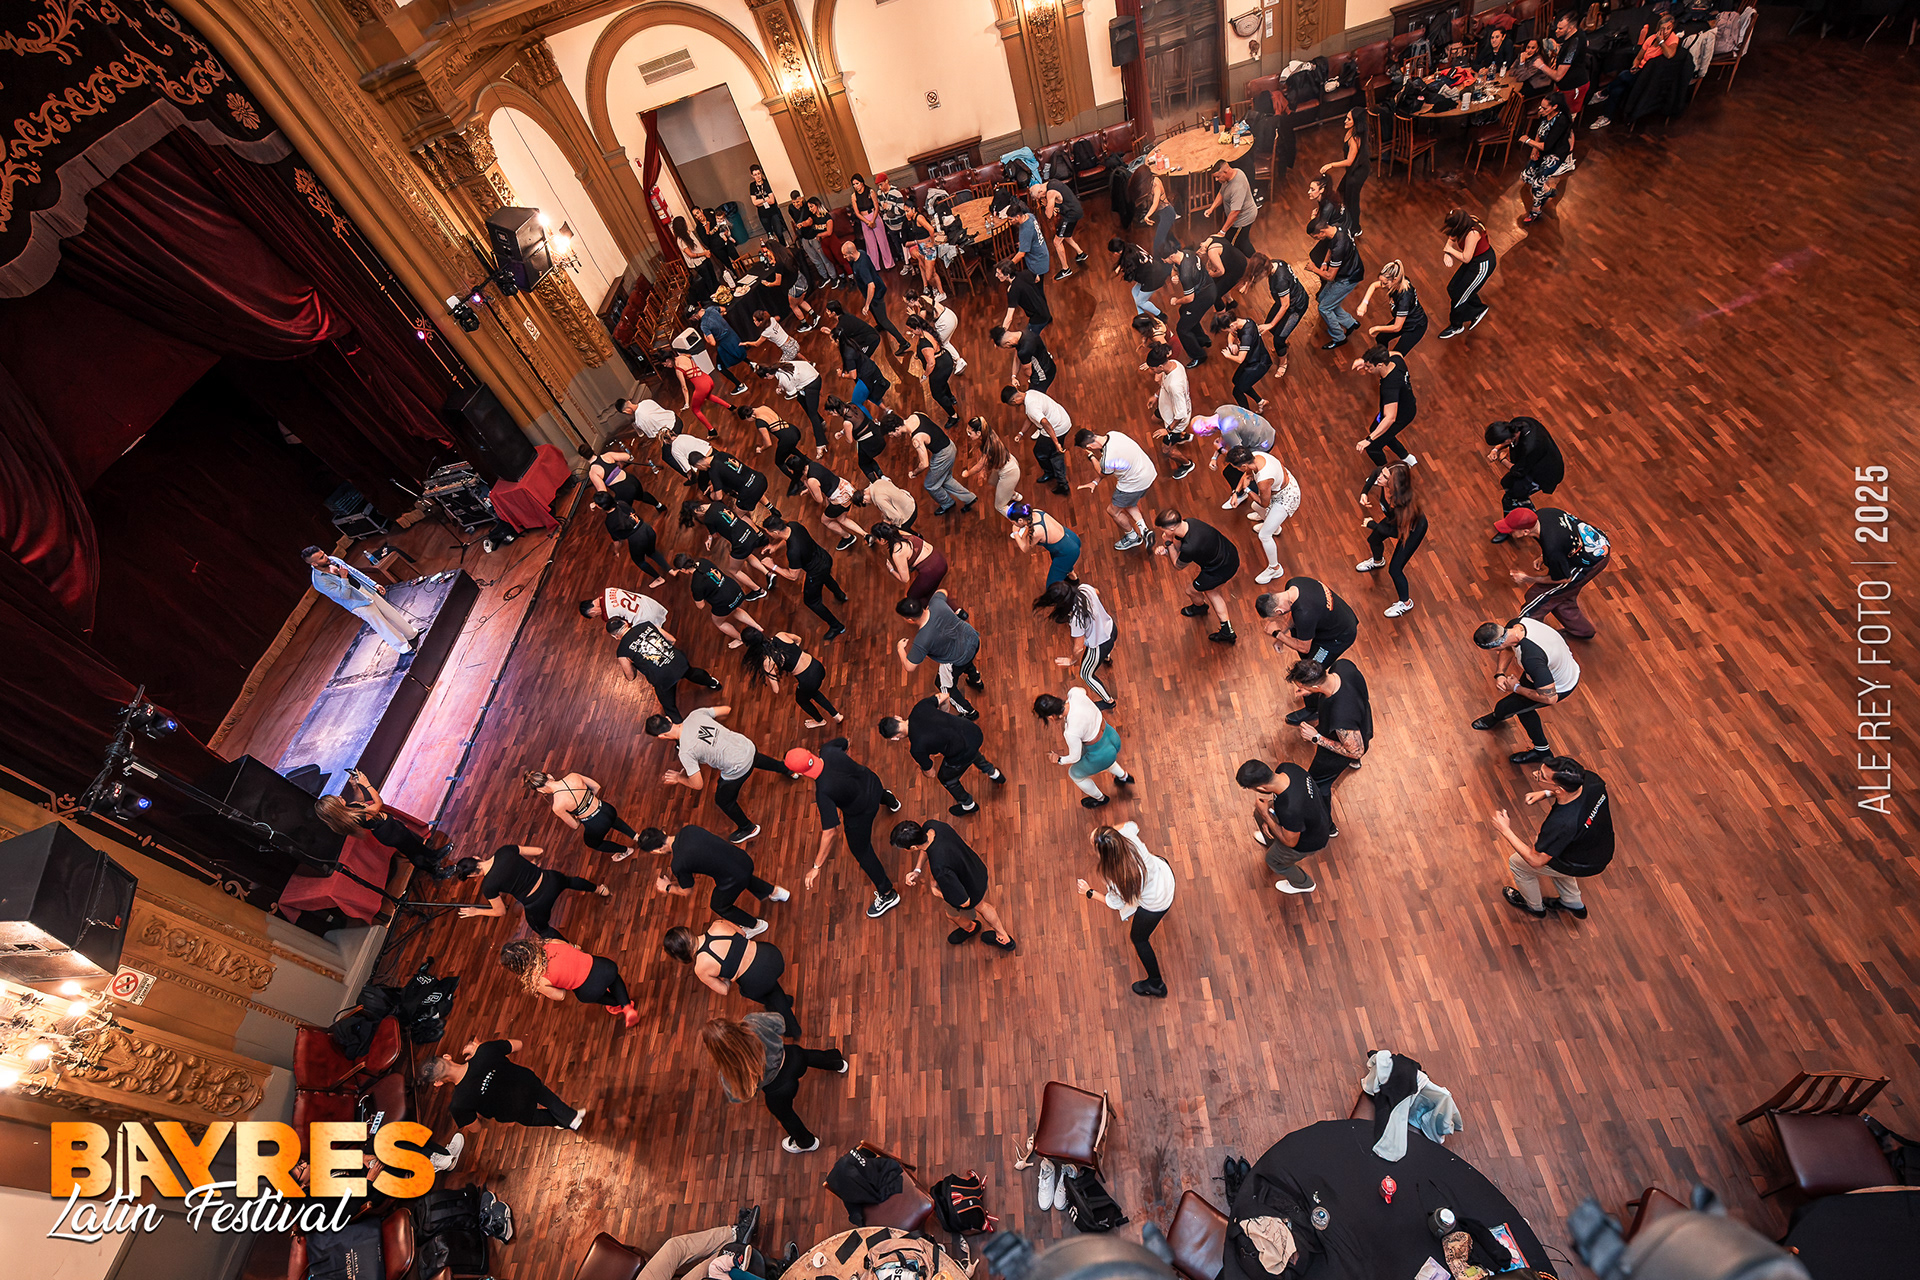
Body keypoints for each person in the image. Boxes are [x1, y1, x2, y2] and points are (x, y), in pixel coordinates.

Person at [786, 739, 903, 917]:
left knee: (861, 851)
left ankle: (888, 894)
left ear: (800, 773)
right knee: (877, 791)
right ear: (809, 753)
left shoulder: (823, 792)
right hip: (873, 783)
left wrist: (816, 866)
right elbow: (845, 742)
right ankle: (892, 801)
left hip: (861, 812)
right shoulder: (828, 750)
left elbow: (830, 832)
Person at [1491, 755, 1613, 919]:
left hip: (1580, 861)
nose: (1535, 774)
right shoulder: (1591, 780)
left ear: (1560, 789)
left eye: (1541, 776)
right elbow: (1572, 795)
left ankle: (1535, 907)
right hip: (1598, 847)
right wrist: (1547, 793)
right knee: (1557, 865)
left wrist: (1505, 830)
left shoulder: (1562, 823)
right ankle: (1572, 902)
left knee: (1518, 863)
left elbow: (1536, 861)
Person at [704, 1015, 847, 1154]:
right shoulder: (752, 1022)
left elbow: (738, 1097)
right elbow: (779, 1021)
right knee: (811, 1056)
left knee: (786, 1116)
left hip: (779, 1090)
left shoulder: (727, 1072)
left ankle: (807, 1142)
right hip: (793, 1058)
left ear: (714, 1049)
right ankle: (838, 1063)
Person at [649, 705, 792, 844]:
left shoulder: (685, 752)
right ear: (668, 719)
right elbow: (726, 709)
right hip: (746, 746)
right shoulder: (695, 714)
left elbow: (698, 784)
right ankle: (787, 768)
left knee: (723, 800)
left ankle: (748, 828)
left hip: (738, 767)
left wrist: (679, 778)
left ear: (661, 736)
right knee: (755, 758)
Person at [1077, 822, 1175, 996]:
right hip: (1166, 875)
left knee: (1139, 939)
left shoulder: (1114, 876)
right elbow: (1132, 824)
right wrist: (1110, 834)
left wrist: (1089, 892)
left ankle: (1156, 984)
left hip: (1158, 903)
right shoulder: (1129, 836)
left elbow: (1116, 903)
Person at [639, 823, 788, 933]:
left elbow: (686, 891)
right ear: (663, 832)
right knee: (741, 875)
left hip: (734, 878)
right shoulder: (689, 829)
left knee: (719, 905)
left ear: (657, 850)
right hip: (743, 860)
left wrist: (667, 888)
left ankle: (755, 926)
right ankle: (775, 892)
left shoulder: (678, 863)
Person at [1471, 617, 1581, 763]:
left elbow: (1550, 698)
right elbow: (1509, 648)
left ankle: (1543, 752)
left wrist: (1516, 688)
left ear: (1496, 647)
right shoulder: (1516, 625)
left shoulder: (1531, 659)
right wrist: (1500, 674)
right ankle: (1500, 715)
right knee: (1514, 707)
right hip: (1546, 673)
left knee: (1508, 706)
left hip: (1559, 686)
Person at [664, 920, 802, 1036]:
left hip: (757, 980)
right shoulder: (718, 924)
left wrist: (726, 975)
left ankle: (792, 1029)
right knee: (770, 990)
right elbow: (742, 933)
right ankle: (783, 1001)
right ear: (687, 932)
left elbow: (724, 990)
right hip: (770, 954)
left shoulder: (701, 968)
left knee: (754, 991)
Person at [893, 820, 1016, 949]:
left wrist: (937, 892)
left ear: (913, 847)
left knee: (952, 914)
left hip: (969, 890)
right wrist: (917, 870)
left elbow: (964, 902)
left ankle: (971, 928)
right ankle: (1002, 936)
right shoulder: (933, 826)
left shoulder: (939, 867)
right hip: (976, 870)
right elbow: (926, 849)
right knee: (983, 906)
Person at [421, 1037, 585, 1132]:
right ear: (447, 1057)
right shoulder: (485, 1051)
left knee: (536, 1117)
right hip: (526, 1082)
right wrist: (481, 1047)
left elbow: (476, 1128)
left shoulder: (458, 1104)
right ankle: (570, 1116)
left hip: (514, 1109)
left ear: (438, 1083)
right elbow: (518, 1044)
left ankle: (565, 1121)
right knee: (546, 1096)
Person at [313, 767, 450, 881]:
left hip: (391, 828)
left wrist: (355, 786)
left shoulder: (350, 810)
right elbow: (378, 803)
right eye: (336, 799)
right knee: (413, 853)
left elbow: (360, 801)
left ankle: (433, 855)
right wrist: (367, 784)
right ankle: (435, 872)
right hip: (391, 833)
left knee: (414, 843)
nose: (339, 796)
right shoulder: (357, 816)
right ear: (336, 807)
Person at [1255, 577, 1359, 724]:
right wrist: (1282, 634)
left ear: (1278, 611)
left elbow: (1304, 647)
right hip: (1334, 619)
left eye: (1278, 615)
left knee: (1309, 672)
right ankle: (1310, 695)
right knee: (1299, 638)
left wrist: (1277, 634)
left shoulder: (1305, 613)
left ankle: (1313, 710)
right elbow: (1295, 613)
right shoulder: (1294, 584)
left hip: (1337, 636)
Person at [1496, 506, 1611, 637]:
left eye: (1511, 531)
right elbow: (1564, 535)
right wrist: (1543, 556)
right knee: (1561, 596)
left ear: (1526, 531)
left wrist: (1527, 578)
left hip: (1591, 560)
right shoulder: (1544, 514)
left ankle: (1526, 636)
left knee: (1536, 600)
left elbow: (1563, 579)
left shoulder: (1552, 549)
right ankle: (1583, 631)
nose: (1509, 533)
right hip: (1591, 544)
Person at [880, 696, 1005, 816]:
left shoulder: (916, 748)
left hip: (962, 751)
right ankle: (994, 773)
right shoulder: (920, 707)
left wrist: (923, 768)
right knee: (971, 750)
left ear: (895, 738)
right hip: (973, 732)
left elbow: (931, 773)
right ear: (897, 717)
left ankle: (968, 805)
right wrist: (945, 714)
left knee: (946, 779)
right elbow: (944, 696)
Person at [455, 843, 608, 940]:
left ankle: (572, 948)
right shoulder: (504, 851)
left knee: (542, 929)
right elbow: (538, 851)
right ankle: (600, 889)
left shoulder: (488, 886)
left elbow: (500, 911)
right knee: (570, 881)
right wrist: (532, 864)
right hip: (550, 880)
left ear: (472, 875)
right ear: (476, 858)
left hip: (537, 903)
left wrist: (476, 911)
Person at [499, 935, 640, 1028]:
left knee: (600, 996)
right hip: (601, 966)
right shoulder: (551, 942)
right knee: (613, 979)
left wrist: (562, 980)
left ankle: (617, 1005)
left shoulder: (538, 980)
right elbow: (576, 948)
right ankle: (627, 1007)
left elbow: (560, 996)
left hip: (587, 989)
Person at [1235, 758, 1329, 896]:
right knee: (1259, 813)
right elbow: (1282, 800)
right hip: (1312, 818)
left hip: (1310, 840)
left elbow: (1290, 842)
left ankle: (1303, 884)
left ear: (1261, 788)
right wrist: (1268, 813)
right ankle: (1272, 842)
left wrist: (1266, 816)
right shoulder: (1287, 769)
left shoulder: (1291, 810)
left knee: (1273, 860)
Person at [1287, 657, 1373, 805]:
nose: (1299, 689)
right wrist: (1309, 690)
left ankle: (1323, 817)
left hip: (1344, 746)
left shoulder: (1340, 717)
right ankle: (1354, 763)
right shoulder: (1342, 665)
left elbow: (1356, 751)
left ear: (1315, 687)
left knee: (1318, 781)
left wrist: (1316, 737)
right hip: (1362, 721)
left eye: (1302, 686)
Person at [303, 547, 419, 654]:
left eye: (324, 554)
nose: (326, 557)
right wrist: (343, 577)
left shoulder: (334, 560)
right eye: (321, 558)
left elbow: (355, 572)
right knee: (382, 625)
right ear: (314, 564)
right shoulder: (319, 582)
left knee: (391, 613)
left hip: (366, 589)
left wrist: (373, 584)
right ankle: (403, 648)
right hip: (358, 603)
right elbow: (344, 595)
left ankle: (411, 634)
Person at [610, 616, 725, 721]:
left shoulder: (622, 652)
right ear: (625, 622)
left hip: (662, 677)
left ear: (615, 636)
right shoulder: (647, 625)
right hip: (677, 660)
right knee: (690, 672)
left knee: (669, 707)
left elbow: (630, 677)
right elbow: (672, 640)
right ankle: (713, 683)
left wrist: (633, 664)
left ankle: (680, 732)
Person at [1035, 687, 1133, 808]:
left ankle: (1101, 799)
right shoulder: (1075, 693)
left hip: (1102, 754)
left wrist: (1059, 759)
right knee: (1104, 759)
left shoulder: (1070, 732)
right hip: (1112, 737)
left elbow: (1075, 757)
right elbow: (1082, 691)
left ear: (1051, 717)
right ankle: (1124, 776)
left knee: (1074, 774)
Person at [1152, 509, 1239, 644]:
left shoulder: (1191, 546)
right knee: (1210, 590)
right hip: (1229, 554)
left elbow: (1178, 565)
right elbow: (1179, 548)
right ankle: (1224, 627)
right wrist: (1168, 550)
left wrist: (1168, 543)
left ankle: (1203, 609)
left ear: (1172, 528)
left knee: (1194, 591)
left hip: (1219, 569)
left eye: (1163, 530)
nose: (1162, 533)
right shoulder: (1190, 522)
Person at [1354, 461, 1428, 618]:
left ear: (1394, 484)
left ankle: (1406, 603)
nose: (1379, 477)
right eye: (1383, 473)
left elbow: (1397, 533)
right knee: (1374, 540)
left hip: (1410, 530)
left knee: (1395, 569)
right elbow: (1375, 473)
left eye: (1384, 476)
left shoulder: (1403, 504)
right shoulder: (1383, 477)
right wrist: (1364, 492)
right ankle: (1377, 561)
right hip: (1394, 520)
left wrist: (1373, 524)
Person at [896, 588, 983, 718]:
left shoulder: (921, 640)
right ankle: (976, 680)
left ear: (909, 619)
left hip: (957, 658)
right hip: (972, 639)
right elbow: (943, 591)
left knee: (944, 686)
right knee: (966, 660)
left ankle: (969, 712)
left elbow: (909, 666)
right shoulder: (937, 602)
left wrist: (900, 649)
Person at [1033, 577, 1118, 709]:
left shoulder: (1076, 618)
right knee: (1105, 650)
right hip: (1111, 628)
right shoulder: (1084, 588)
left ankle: (1109, 701)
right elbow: (1097, 592)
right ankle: (1106, 659)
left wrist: (1071, 660)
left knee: (1086, 674)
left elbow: (1078, 648)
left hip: (1100, 645)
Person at [762, 514, 848, 639]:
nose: (768, 535)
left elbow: (793, 576)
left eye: (768, 532)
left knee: (812, 601)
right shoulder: (793, 525)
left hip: (816, 571)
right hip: (824, 558)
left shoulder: (793, 552)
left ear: (775, 532)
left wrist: (773, 566)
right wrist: (775, 546)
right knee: (826, 577)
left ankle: (837, 626)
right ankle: (841, 595)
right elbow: (787, 539)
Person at [1588, 13, 1678, 131]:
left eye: (1668, 28)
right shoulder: (1651, 38)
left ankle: (1603, 93)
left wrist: (1661, 42)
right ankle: (1606, 117)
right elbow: (1638, 57)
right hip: (1639, 71)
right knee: (1617, 89)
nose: (1665, 31)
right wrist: (1635, 66)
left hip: (1649, 75)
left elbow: (1670, 54)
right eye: (1663, 28)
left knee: (1623, 75)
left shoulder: (1673, 39)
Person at [1225, 445, 1299, 585]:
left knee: (1264, 535)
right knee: (1254, 506)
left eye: (1236, 467)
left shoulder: (1264, 480)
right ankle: (1274, 527)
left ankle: (1275, 568)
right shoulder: (1255, 456)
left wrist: (1247, 489)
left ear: (1243, 465)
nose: (1237, 470)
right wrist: (1236, 493)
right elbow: (1246, 475)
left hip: (1286, 498)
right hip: (1280, 489)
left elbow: (1264, 503)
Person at [1074, 427, 1158, 550]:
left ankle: (1133, 537)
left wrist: (1091, 457)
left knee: (1113, 511)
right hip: (1148, 472)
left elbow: (1101, 472)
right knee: (1128, 502)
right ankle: (1144, 530)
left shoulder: (1107, 459)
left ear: (1089, 447)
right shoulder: (1114, 434)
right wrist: (1095, 482)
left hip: (1134, 483)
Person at [524, 768, 637, 859]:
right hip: (607, 808)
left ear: (540, 790)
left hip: (596, 824)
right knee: (612, 820)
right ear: (549, 776)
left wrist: (578, 815)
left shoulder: (557, 806)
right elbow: (597, 787)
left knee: (593, 843)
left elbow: (575, 825)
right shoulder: (573, 776)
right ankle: (636, 836)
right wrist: (588, 801)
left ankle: (626, 851)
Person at [741, 627, 842, 727]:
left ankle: (820, 721)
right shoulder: (780, 635)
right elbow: (798, 639)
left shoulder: (768, 661)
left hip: (808, 680)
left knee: (801, 700)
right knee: (812, 692)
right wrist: (793, 655)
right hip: (817, 666)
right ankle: (836, 715)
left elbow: (776, 689)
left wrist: (772, 672)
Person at [1484, 417, 1565, 534]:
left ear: (1508, 439)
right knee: (1508, 485)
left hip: (1545, 473)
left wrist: (1502, 460)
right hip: (1532, 464)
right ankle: (1521, 514)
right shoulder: (1517, 424)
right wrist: (1495, 450)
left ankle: (1527, 524)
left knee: (1510, 498)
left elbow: (1518, 471)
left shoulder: (1530, 446)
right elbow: (1509, 444)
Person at [681, 499, 776, 597]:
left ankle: (759, 591)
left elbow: (715, 535)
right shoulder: (717, 504)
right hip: (749, 532)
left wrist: (710, 537)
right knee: (746, 555)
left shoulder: (708, 519)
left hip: (741, 543)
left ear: (696, 511)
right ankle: (768, 574)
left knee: (733, 570)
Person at [670, 553, 767, 649]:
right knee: (735, 609)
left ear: (683, 570)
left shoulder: (696, 585)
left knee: (719, 623)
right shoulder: (703, 561)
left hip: (724, 602)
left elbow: (701, 606)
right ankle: (758, 627)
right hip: (734, 589)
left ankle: (740, 639)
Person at [894, 412, 976, 515]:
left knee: (930, 485)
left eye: (891, 434)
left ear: (897, 429)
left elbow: (924, 464)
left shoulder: (916, 439)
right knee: (945, 479)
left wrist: (914, 473)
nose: (892, 436)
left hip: (943, 455)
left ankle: (947, 503)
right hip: (949, 446)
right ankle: (969, 498)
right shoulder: (915, 415)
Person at [1200, 405, 1276, 509]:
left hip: (1262, 443)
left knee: (1234, 472)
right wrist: (1214, 457)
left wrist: (1220, 450)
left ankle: (1254, 494)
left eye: (1203, 434)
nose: (1205, 436)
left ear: (1206, 428)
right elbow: (1224, 439)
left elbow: (1239, 457)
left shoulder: (1227, 431)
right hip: (1265, 430)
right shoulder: (1221, 410)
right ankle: (1241, 493)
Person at [1355, 346, 1418, 467]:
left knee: (1373, 448)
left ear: (1380, 365)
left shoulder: (1390, 387)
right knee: (1376, 429)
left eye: (1368, 367)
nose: (1366, 369)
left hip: (1401, 416)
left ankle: (1386, 472)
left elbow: (1390, 418)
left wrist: (1368, 440)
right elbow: (1397, 353)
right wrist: (1365, 360)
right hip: (1406, 405)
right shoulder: (1396, 360)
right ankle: (1406, 457)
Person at [1306, 217, 1364, 349]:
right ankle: (1350, 323)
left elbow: (1330, 276)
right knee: (1323, 299)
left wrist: (1314, 269)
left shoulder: (1340, 245)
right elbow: (1330, 247)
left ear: (1321, 232)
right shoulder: (1336, 228)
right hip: (1346, 272)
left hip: (1347, 278)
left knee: (1324, 308)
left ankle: (1339, 337)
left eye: (1316, 237)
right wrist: (1325, 262)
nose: (1316, 239)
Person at [1517, 94, 1575, 226]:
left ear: (1555, 107)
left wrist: (1527, 141)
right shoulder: (1545, 114)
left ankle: (1535, 211)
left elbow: (1547, 146)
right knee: (1526, 175)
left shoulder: (1561, 120)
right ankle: (1548, 191)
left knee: (1537, 182)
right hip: (1542, 149)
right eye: (1541, 107)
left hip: (1555, 154)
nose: (1540, 110)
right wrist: (1534, 149)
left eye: (1544, 108)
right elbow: (1540, 132)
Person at [842, 240, 908, 355]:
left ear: (851, 253)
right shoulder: (861, 253)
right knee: (875, 311)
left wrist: (866, 304)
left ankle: (903, 342)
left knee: (884, 320)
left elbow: (871, 286)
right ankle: (880, 325)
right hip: (873, 290)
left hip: (875, 294)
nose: (844, 257)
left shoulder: (861, 267)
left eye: (845, 255)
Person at [1003, 384, 1072, 494]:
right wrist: (1021, 433)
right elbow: (1032, 418)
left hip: (1056, 428)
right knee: (1050, 453)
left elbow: (1044, 422)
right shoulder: (1030, 393)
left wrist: (1056, 443)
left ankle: (1061, 482)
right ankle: (1054, 473)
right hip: (1063, 419)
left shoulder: (1031, 407)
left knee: (1045, 454)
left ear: (1013, 401)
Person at [1438, 208, 1496, 338]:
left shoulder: (1473, 233)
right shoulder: (1465, 223)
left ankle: (1456, 326)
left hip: (1482, 265)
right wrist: (1447, 251)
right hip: (1474, 261)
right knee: (1453, 288)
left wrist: (1450, 250)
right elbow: (1452, 236)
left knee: (1460, 297)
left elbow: (1466, 258)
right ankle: (1477, 309)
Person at [1141, 342, 1196, 478]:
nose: (1151, 371)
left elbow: (1181, 414)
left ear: (1160, 366)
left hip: (1174, 421)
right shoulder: (1173, 364)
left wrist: (1168, 430)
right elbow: (1164, 384)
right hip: (1166, 408)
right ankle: (1183, 436)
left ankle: (1187, 464)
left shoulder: (1174, 385)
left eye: (1152, 369)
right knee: (1154, 419)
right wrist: (1156, 396)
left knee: (1166, 451)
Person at [1353, 261, 1429, 354]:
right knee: (1381, 338)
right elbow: (1374, 285)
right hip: (1404, 320)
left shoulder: (1404, 299)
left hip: (1415, 326)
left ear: (1395, 280)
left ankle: (1388, 361)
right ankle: (1383, 358)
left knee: (1396, 355)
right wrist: (1364, 303)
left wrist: (1376, 328)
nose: (1382, 285)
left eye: (1385, 283)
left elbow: (1397, 327)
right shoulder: (1399, 281)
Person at [1320, 106, 1371, 237]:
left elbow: (1349, 161)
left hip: (1357, 173)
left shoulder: (1354, 140)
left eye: (1349, 119)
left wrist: (1331, 165)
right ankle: (1343, 218)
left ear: (1355, 122)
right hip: (1353, 170)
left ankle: (1355, 229)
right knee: (1341, 192)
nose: (1345, 121)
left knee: (1352, 200)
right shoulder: (1351, 132)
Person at [597, 496, 672, 584]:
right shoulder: (621, 503)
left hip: (637, 540)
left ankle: (659, 579)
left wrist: (616, 551)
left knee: (639, 561)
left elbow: (617, 541)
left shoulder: (610, 522)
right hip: (647, 529)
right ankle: (670, 570)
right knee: (652, 552)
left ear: (600, 507)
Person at [870, 521, 948, 605]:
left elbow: (905, 579)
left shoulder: (898, 552)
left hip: (932, 570)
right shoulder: (900, 532)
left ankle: (928, 609)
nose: (875, 540)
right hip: (939, 559)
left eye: (875, 538)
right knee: (929, 590)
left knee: (912, 597)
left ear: (883, 540)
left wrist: (891, 570)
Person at [1165, 244, 1218, 368]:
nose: (1164, 262)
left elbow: (1190, 298)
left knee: (1182, 329)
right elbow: (1174, 267)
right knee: (1184, 311)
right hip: (1207, 287)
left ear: (1171, 256)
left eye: (1165, 259)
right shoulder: (1186, 253)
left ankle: (1199, 355)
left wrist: (1176, 301)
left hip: (1203, 297)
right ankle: (1202, 339)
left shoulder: (1186, 274)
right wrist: (1174, 275)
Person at [1531, 13, 1592, 118]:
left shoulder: (1573, 45)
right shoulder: (1576, 34)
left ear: (1570, 28)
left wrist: (1541, 65)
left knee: (1567, 117)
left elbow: (1558, 76)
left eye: (1560, 29)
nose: (1556, 31)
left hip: (1574, 87)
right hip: (1566, 86)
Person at [1007, 501, 1081, 587]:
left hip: (1067, 552)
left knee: (1052, 586)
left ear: (1020, 520)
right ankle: (1073, 577)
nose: (1014, 524)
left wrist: (1015, 533)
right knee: (1064, 566)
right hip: (1070, 538)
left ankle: (1074, 587)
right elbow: (1028, 530)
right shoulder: (1036, 512)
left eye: (1013, 523)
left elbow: (1025, 548)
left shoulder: (1036, 531)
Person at [1027, 178, 1088, 281]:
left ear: (1041, 192)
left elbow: (1049, 215)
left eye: (1040, 197)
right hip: (1074, 210)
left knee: (1057, 242)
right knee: (1066, 235)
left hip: (1071, 215)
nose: (1041, 198)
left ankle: (1066, 269)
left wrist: (1047, 205)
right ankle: (1080, 253)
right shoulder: (1051, 182)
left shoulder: (1050, 193)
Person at [962, 417, 1022, 518]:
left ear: (979, 433)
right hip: (1008, 461)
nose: (968, 435)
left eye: (970, 433)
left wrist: (967, 473)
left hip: (1009, 471)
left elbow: (979, 466)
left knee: (999, 506)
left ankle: (1018, 520)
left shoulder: (988, 447)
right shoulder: (988, 433)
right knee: (993, 481)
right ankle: (1012, 494)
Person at [907, 314, 960, 426]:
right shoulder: (927, 330)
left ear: (918, 328)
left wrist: (925, 375)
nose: (911, 333)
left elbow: (931, 364)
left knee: (937, 394)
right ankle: (951, 397)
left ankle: (953, 416)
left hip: (940, 368)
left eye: (912, 330)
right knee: (943, 383)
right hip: (945, 359)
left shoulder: (924, 344)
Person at [583, 441, 665, 513]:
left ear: (583, 457)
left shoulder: (593, 472)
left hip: (623, 490)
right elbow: (627, 456)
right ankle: (659, 506)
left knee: (621, 510)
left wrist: (595, 503)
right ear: (592, 449)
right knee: (641, 495)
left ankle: (636, 523)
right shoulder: (607, 455)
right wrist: (617, 464)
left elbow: (603, 492)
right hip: (632, 480)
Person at [1216, 312, 1274, 413]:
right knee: (1236, 380)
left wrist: (1228, 355)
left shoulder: (1247, 335)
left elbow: (1240, 359)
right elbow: (1232, 334)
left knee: (1237, 391)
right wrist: (1231, 344)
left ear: (1232, 325)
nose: (1229, 332)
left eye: (1228, 329)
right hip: (1252, 359)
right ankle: (1261, 402)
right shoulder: (1244, 322)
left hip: (1259, 364)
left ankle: (1248, 416)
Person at [758, 238, 819, 332]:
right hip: (801, 281)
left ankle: (806, 325)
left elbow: (778, 282)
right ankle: (815, 316)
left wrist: (768, 284)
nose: (767, 253)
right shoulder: (788, 254)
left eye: (768, 251)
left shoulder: (779, 265)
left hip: (794, 287)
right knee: (800, 301)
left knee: (794, 306)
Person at [691, 448, 773, 518]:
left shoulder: (713, 471)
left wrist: (712, 495)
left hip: (750, 492)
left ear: (698, 465)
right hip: (760, 479)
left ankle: (757, 531)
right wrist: (714, 485)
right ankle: (771, 508)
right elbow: (729, 473)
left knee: (737, 517)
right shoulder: (721, 454)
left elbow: (719, 497)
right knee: (755, 489)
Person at [673, 350, 736, 438]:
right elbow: (690, 355)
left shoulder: (678, 369)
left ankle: (712, 431)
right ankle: (730, 406)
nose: (665, 365)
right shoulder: (683, 356)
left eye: (664, 363)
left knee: (695, 409)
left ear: (668, 360)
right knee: (708, 396)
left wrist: (686, 403)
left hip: (702, 386)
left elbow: (684, 388)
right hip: (708, 379)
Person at [696, 301, 753, 393]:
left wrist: (705, 337)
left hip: (725, 343)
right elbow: (723, 309)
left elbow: (713, 343)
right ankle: (752, 363)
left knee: (720, 367)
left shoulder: (704, 325)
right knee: (739, 352)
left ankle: (740, 385)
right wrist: (719, 317)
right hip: (733, 336)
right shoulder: (711, 309)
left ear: (694, 316)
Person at [1204, 159, 1259, 252]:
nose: (1216, 180)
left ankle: (1257, 259)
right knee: (1235, 240)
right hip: (1235, 216)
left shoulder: (1237, 187)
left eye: (1218, 177)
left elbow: (1235, 212)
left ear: (1225, 172)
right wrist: (1212, 208)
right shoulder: (1231, 175)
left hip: (1243, 219)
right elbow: (1222, 192)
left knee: (1241, 243)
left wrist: (1222, 232)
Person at [790, 190, 842, 287]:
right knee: (815, 260)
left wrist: (803, 224)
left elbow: (810, 221)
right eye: (793, 203)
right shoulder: (791, 209)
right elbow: (794, 220)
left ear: (801, 198)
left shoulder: (808, 206)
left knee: (824, 257)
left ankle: (834, 277)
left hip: (814, 236)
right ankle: (824, 277)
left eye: (797, 202)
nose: (796, 205)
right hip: (804, 238)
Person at [1112, 236, 1173, 319]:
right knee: (1134, 291)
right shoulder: (1131, 246)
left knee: (1141, 302)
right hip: (1155, 269)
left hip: (1153, 280)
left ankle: (1160, 315)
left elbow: (1129, 277)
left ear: (1117, 252)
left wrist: (1123, 270)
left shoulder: (1129, 258)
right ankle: (1141, 315)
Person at [991, 321, 1058, 394]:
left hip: (1042, 376)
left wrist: (1030, 379)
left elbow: (1028, 372)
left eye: (1005, 347)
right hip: (1048, 363)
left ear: (1008, 343)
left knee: (1035, 396)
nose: (1007, 348)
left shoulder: (1024, 351)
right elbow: (1017, 356)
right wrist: (1014, 376)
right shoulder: (1024, 333)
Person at [995, 257, 1054, 336]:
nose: (996, 275)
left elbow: (1009, 317)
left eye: (998, 273)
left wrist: (1001, 333)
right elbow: (1037, 279)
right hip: (1043, 308)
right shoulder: (1026, 273)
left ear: (1007, 275)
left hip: (1038, 318)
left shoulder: (1013, 291)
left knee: (1028, 338)